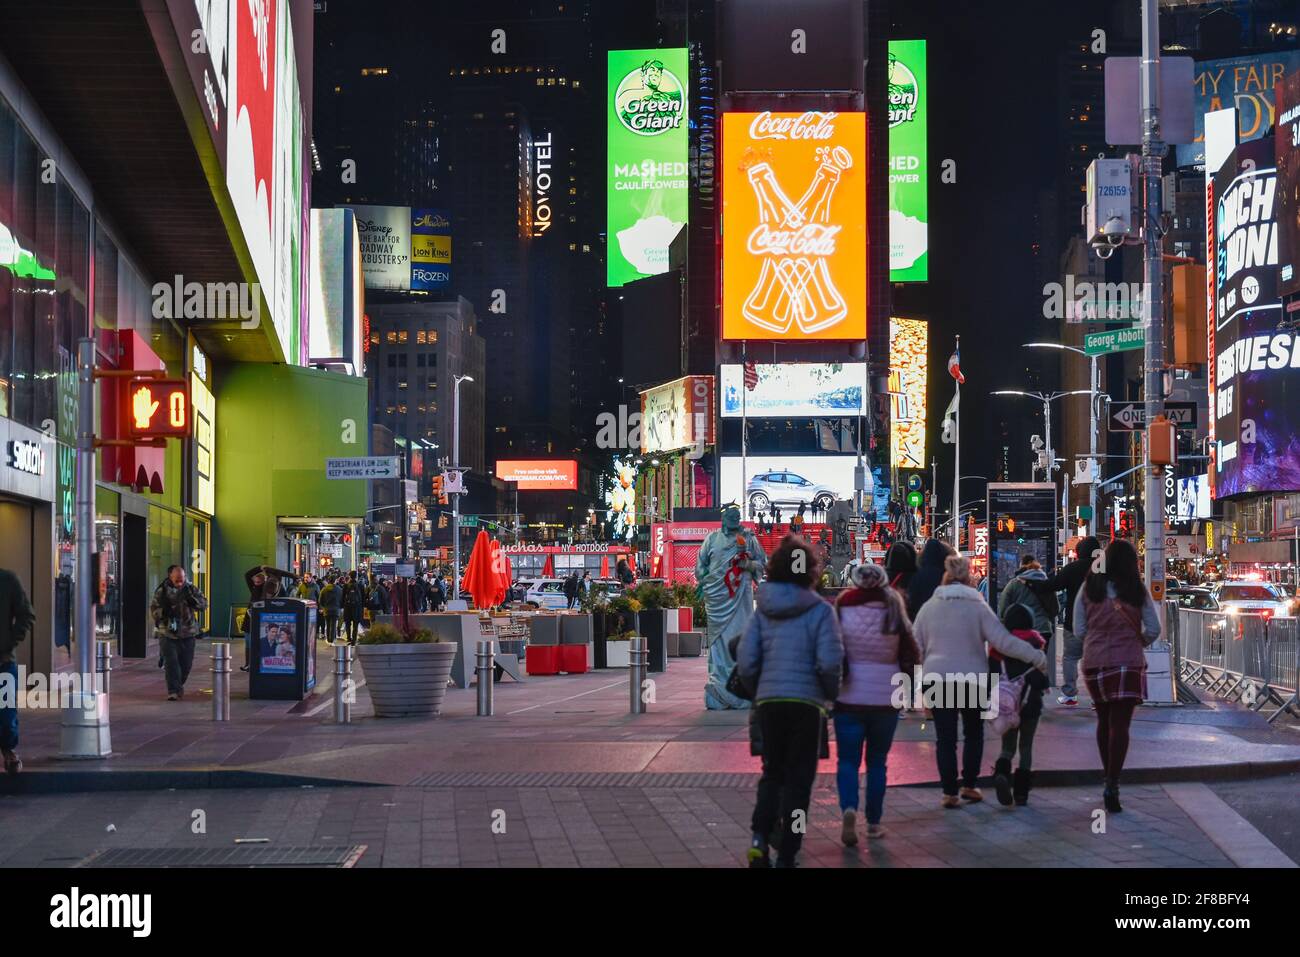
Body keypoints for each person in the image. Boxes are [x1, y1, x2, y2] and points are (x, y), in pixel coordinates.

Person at [736, 535, 843, 868]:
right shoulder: (821, 612)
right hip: (807, 707)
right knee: (799, 782)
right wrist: (830, 694)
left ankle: (758, 838)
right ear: (809, 571)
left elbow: (746, 661)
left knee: (772, 774)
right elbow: (829, 662)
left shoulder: (763, 611)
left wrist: (760, 691)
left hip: (769, 704)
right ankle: (788, 851)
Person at [913, 555, 1047, 808]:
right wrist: (1036, 656)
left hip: (937, 678)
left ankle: (949, 792)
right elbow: (1002, 641)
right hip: (971, 678)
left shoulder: (929, 607)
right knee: (973, 733)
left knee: (945, 737)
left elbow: (915, 647)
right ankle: (969, 785)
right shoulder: (978, 606)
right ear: (968, 578)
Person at [833, 562, 919, 843]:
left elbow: (833, 645)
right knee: (877, 763)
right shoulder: (894, 604)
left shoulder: (843, 604)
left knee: (847, 761)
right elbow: (911, 650)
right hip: (886, 696)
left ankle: (848, 808)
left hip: (849, 696)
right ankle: (873, 822)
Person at [1073, 539, 1160, 813]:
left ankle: (1106, 775)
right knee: (1120, 725)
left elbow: (1078, 628)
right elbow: (1154, 628)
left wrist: (1095, 641)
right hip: (1127, 662)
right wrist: (1137, 642)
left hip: (1095, 662)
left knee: (1103, 719)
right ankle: (1113, 781)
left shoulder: (1089, 588)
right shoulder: (1136, 590)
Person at [991, 603, 1049, 806]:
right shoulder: (1036, 645)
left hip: (1007, 704)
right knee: (1026, 747)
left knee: (1007, 747)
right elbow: (1043, 682)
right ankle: (1022, 793)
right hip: (1031, 704)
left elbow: (991, 674)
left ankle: (1001, 773)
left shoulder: (1000, 647)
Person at [1053, 535, 1101, 705]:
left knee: (1070, 658)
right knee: (1098, 660)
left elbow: (1054, 584)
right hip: (1099, 625)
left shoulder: (1071, 569)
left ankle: (1069, 694)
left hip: (1073, 622)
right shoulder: (1103, 570)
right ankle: (1098, 697)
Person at [150, 564, 208, 701]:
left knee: (186, 664)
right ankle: (173, 691)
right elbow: (153, 610)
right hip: (167, 632)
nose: (180, 582)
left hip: (188, 632)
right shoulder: (162, 591)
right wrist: (164, 612)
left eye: (182, 579)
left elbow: (204, 604)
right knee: (172, 664)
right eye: (177, 579)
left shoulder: (191, 589)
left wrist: (192, 600)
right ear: (170, 577)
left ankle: (178, 685)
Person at [0, 566, 35, 774]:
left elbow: (26, 614)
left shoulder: (7, 580)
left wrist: (9, 644)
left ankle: (9, 750)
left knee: (6, 713)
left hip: (3, 660)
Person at [242, 564, 296, 671]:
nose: (256, 584)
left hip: (257, 618)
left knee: (254, 643)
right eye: (255, 582)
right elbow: (247, 575)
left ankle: (253, 664)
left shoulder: (267, 589)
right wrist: (260, 567)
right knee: (248, 642)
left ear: (263, 581)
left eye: (259, 582)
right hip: (249, 619)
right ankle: (248, 664)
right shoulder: (253, 588)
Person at [996, 557, 1059, 645]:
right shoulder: (1046, 584)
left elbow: (1003, 607)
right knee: (1039, 657)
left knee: (1021, 657)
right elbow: (1055, 609)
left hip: (1019, 630)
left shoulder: (1013, 584)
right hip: (1043, 629)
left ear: (1021, 566)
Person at [907, 538, 954, 620]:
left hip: (921, 615)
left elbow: (912, 599)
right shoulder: (947, 574)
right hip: (944, 616)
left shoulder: (918, 575)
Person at [341, 571, 365, 644]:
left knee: (348, 623)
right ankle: (354, 640)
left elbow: (342, 597)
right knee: (355, 624)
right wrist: (362, 607)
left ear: (349, 576)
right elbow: (363, 597)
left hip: (348, 607)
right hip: (357, 607)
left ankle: (348, 638)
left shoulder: (346, 585)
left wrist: (343, 606)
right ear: (356, 576)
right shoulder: (360, 585)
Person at [318, 574, 342, 643]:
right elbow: (342, 599)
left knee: (328, 624)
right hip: (335, 609)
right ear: (335, 581)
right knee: (333, 624)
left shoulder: (324, 589)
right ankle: (332, 639)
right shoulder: (339, 589)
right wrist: (339, 606)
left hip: (326, 609)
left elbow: (320, 600)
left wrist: (323, 606)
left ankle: (329, 639)